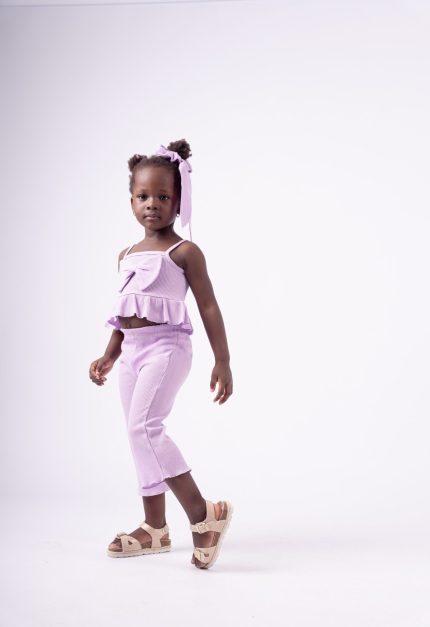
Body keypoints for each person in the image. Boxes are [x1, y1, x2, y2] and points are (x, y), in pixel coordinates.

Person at [89, 139, 233, 569]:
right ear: (131, 200)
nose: (152, 204)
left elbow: (208, 306)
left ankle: (204, 514)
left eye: (163, 197)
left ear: (179, 200)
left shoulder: (184, 252)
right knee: (137, 434)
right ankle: (155, 528)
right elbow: (126, 311)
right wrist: (110, 354)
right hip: (131, 353)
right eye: (143, 196)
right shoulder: (126, 255)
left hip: (167, 348)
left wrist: (222, 360)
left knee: (146, 427)